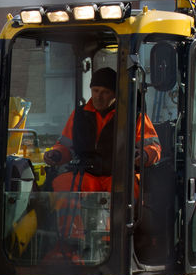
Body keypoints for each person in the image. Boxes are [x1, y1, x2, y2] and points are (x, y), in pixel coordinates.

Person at [43, 66, 161, 195]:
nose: (99, 97)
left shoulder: (134, 116)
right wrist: (57, 154)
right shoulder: (79, 115)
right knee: (62, 183)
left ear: (116, 94)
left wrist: (144, 155)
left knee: (128, 189)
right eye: (95, 91)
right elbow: (66, 146)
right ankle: (72, 216)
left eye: (105, 92)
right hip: (87, 175)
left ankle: (119, 216)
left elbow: (153, 147)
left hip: (119, 175)